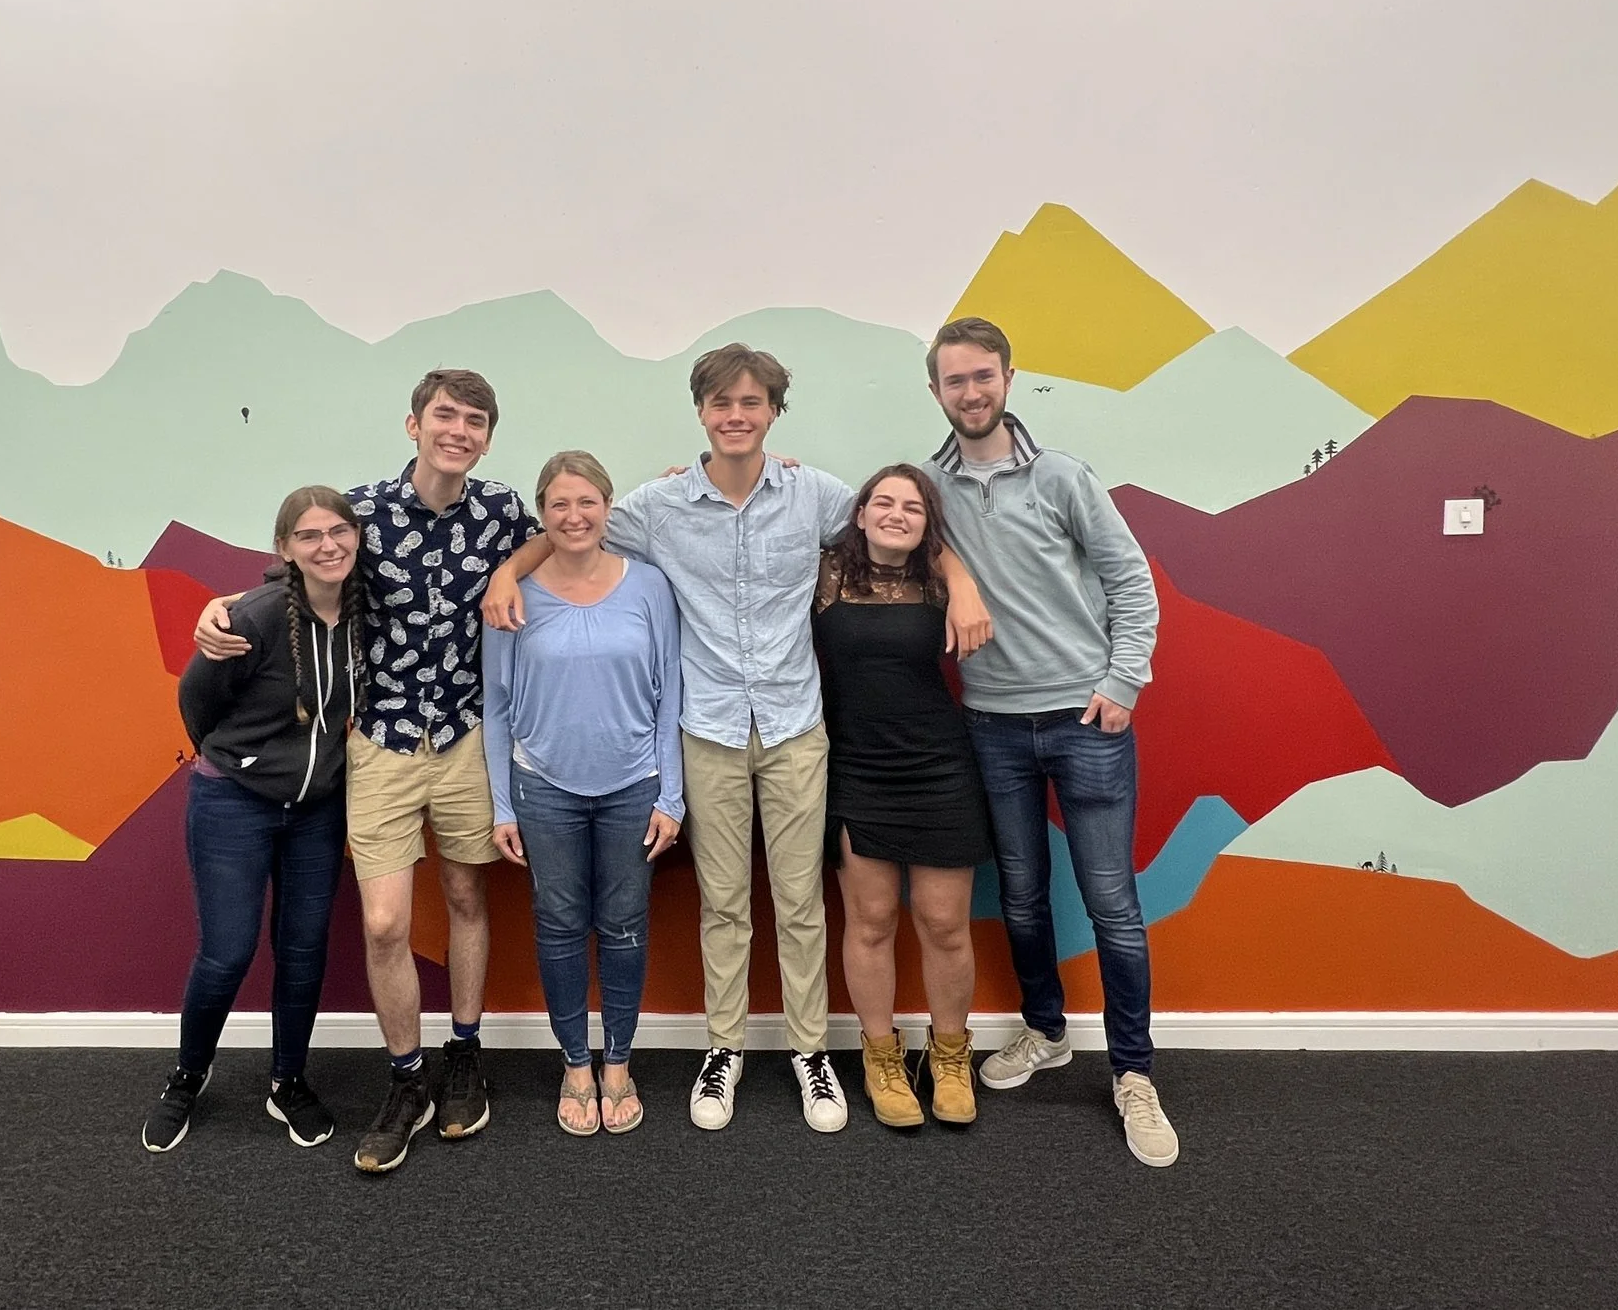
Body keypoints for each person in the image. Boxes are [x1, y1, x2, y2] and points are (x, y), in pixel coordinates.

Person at [486, 343, 990, 1135]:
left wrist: (960, 582)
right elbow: (569, 525)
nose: (736, 416)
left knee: (800, 904)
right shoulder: (658, 508)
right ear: (701, 413)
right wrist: (507, 573)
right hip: (709, 729)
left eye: (752, 404)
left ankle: (809, 1055)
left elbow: (904, 526)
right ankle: (722, 1050)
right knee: (723, 904)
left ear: (772, 413)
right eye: (722, 404)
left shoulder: (816, 494)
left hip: (796, 727)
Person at [192, 368, 537, 1175]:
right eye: (444, 416)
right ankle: (406, 1078)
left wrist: (512, 569)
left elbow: (556, 531)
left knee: (464, 895)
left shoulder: (499, 510)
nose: (459, 430)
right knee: (384, 922)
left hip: (465, 736)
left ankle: (464, 1058)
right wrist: (220, 607)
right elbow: (302, 566)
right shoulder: (365, 510)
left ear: (488, 436)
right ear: (413, 425)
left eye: (475, 420)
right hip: (379, 742)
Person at [923, 316, 1178, 1168]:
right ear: (937, 392)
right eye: (955, 380)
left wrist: (1122, 684)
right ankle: (1045, 1032)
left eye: (983, 375)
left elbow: (1130, 578)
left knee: (1113, 904)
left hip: (1084, 720)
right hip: (990, 723)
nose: (971, 391)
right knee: (1023, 898)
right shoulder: (928, 489)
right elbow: (865, 539)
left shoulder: (1063, 476)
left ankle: (1135, 1073)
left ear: (1008, 378)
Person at [143, 485, 365, 1155]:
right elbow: (196, 700)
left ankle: (287, 1081)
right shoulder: (256, 616)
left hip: (317, 811)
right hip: (232, 804)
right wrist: (241, 762)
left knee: (302, 951)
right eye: (309, 536)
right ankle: (187, 1076)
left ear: (357, 538)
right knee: (229, 950)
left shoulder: (368, 613)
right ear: (284, 549)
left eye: (339, 532)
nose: (327, 545)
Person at [481, 450, 685, 1135]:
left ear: (608, 506)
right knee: (560, 926)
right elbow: (498, 706)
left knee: (625, 926)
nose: (574, 516)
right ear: (544, 514)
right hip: (544, 788)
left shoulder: (650, 587)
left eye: (587, 502)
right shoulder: (511, 594)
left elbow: (670, 699)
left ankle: (619, 1063)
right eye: (559, 505)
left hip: (635, 786)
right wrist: (504, 804)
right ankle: (575, 1064)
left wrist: (672, 797)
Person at [813, 464, 994, 1130]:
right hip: (856, 767)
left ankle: (949, 1056)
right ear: (858, 514)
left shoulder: (942, 577)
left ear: (928, 524)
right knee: (872, 921)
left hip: (941, 767)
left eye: (911, 507)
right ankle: (881, 1055)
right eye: (881, 502)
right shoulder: (827, 572)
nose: (895, 513)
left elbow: (946, 555)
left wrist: (963, 577)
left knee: (945, 925)